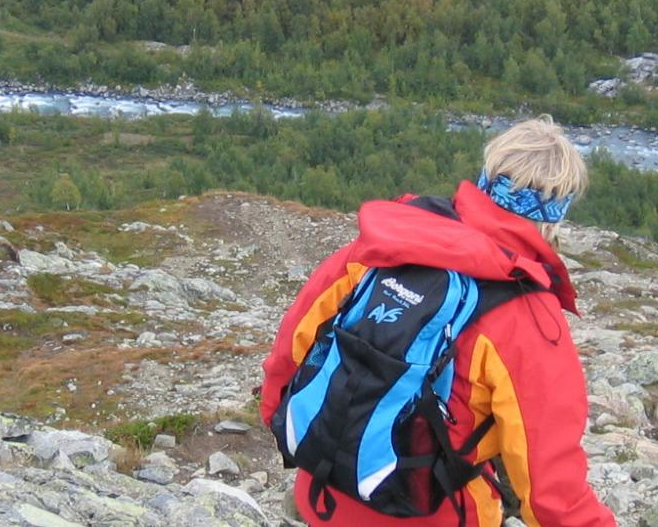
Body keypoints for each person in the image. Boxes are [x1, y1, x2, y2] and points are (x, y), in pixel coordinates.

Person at [260, 118, 614, 526]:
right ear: (555, 217)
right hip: (431, 513)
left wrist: (283, 425)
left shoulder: (384, 245)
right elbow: (552, 489)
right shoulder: (525, 315)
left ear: (485, 179)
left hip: (324, 493)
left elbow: (292, 349)